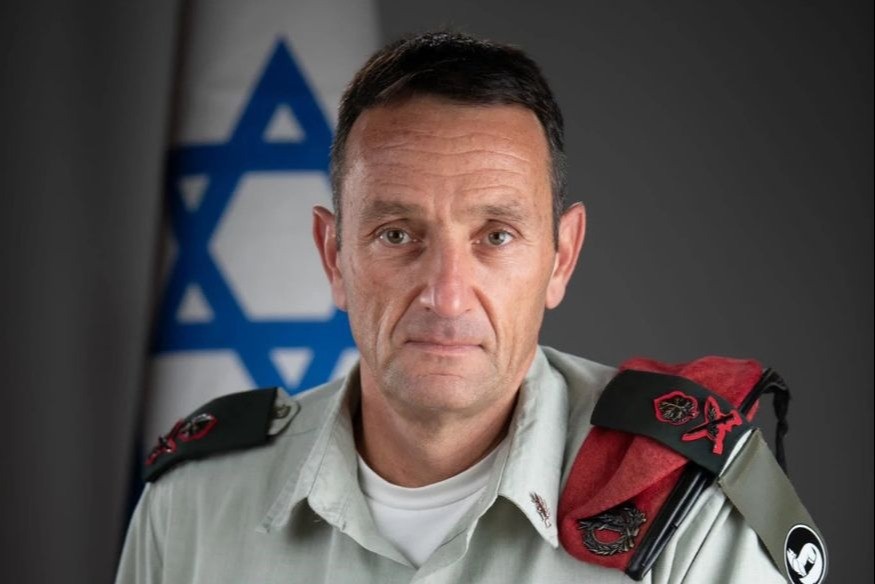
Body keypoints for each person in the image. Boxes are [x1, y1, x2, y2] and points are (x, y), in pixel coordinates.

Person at [116, 31, 791, 583]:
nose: (445, 294)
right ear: (334, 257)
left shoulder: (685, 506)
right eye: (396, 235)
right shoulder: (194, 503)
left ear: (560, 258)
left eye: (495, 237)